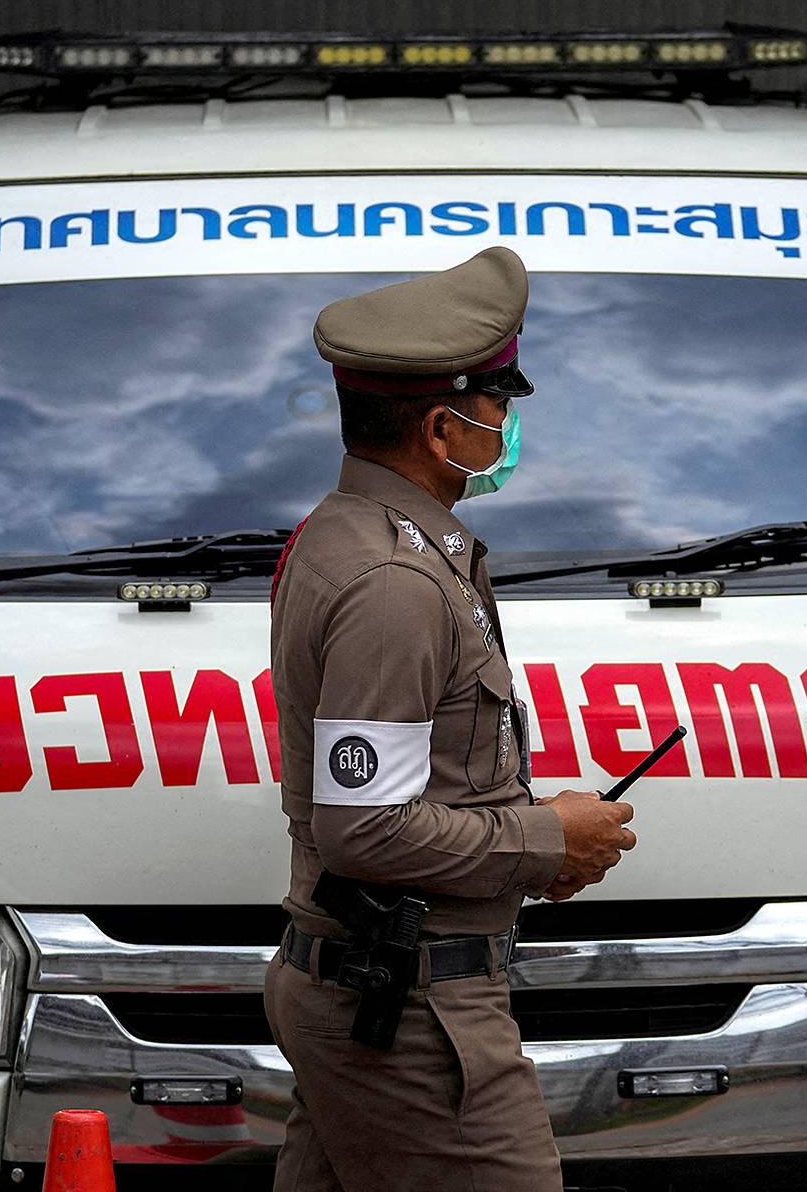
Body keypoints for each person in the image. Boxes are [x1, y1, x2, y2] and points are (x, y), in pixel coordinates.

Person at [264, 246, 637, 1192]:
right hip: (411, 1017)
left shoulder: (355, 536)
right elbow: (366, 826)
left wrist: (530, 843)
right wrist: (547, 839)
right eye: (499, 404)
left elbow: (413, 788)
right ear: (443, 428)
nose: (508, 426)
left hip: (379, 993)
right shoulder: (394, 581)